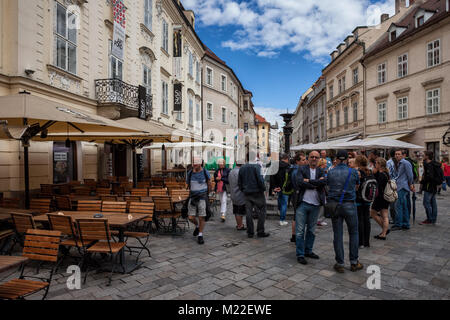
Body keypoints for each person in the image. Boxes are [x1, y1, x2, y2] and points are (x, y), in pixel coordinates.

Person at [327, 150, 363, 273]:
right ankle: (354, 262)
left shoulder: (330, 172)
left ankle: (340, 263)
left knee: (338, 234)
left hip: (335, 205)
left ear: (336, 159)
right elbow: (357, 186)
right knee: (354, 233)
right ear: (347, 159)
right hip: (350, 205)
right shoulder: (353, 172)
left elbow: (328, 187)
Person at [294, 151, 326, 265]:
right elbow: (299, 182)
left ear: (318, 159)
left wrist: (309, 181)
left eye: (316, 157)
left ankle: (308, 250)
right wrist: (316, 184)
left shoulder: (321, 170)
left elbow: (324, 182)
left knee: (312, 230)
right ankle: (300, 254)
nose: (314, 159)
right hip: (303, 203)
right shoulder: (302, 169)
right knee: (300, 231)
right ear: (308, 158)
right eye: (311, 157)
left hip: (316, 204)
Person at [238, 162, 270, 238]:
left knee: (248, 212)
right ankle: (260, 231)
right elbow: (260, 179)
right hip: (257, 192)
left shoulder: (242, 168)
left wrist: (243, 189)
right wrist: (263, 189)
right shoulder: (257, 166)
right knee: (262, 210)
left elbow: (239, 181)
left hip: (247, 192)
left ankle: (250, 232)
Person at [187, 157, 211, 245]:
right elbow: (188, 184)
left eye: (196, 164)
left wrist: (207, 194)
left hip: (202, 196)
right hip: (193, 196)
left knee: (202, 216)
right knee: (190, 217)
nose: (194, 165)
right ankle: (197, 226)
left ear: (200, 164)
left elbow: (209, 183)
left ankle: (200, 235)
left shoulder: (205, 172)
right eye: (193, 163)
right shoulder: (190, 173)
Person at [392, 150, 415, 231]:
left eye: (399, 154)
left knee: (398, 206)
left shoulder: (405, 163)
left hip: (403, 186)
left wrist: (411, 184)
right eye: (396, 154)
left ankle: (399, 224)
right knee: (404, 206)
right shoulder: (399, 163)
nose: (397, 155)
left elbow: (410, 175)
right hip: (400, 185)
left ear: (402, 155)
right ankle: (405, 223)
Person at [420, 151, 444, 225]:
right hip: (434, 186)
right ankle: (433, 219)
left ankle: (429, 219)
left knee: (426, 203)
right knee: (433, 203)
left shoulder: (429, 165)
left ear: (427, 156)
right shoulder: (434, 163)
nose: (422, 156)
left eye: (424, 155)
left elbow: (429, 177)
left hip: (429, 186)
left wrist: (422, 181)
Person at [370, 158, 391, 240]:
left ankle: (384, 232)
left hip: (380, 197)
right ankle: (384, 232)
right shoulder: (386, 173)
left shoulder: (382, 174)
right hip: (386, 197)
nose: (375, 165)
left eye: (376, 163)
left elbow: (378, 185)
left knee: (373, 213)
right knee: (384, 215)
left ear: (380, 165)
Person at [355, 155, 372, 248]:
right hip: (367, 199)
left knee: (360, 219)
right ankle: (367, 242)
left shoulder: (359, 172)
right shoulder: (370, 171)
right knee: (367, 219)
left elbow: (356, 186)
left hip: (359, 198)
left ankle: (360, 242)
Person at [290, 153, 308, 242]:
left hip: (295, 194)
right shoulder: (297, 171)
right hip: (297, 194)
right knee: (298, 216)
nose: (305, 161)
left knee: (295, 215)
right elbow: (299, 183)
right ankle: (296, 236)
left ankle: (294, 235)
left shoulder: (295, 169)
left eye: (305, 159)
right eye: (303, 160)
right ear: (297, 161)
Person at [272, 154, 292, 226]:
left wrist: (274, 187)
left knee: (280, 199)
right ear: (286, 159)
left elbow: (272, 177)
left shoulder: (276, 166)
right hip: (285, 187)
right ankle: (282, 219)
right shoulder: (288, 167)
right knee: (284, 204)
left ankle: (279, 211)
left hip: (277, 186)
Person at [228, 161, 247, 231]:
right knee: (240, 211)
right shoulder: (240, 172)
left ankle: (239, 224)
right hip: (240, 194)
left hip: (233, 193)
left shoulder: (231, 171)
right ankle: (240, 225)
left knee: (236, 210)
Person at [214, 159, 230, 223]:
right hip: (219, 187)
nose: (220, 165)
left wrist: (221, 179)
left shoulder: (228, 170)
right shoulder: (217, 171)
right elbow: (215, 180)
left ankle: (223, 214)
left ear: (224, 164)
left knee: (224, 200)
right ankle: (223, 213)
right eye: (219, 164)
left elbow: (228, 180)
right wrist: (216, 179)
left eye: (222, 164)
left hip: (225, 187)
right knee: (221, 200)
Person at [386, 149, 398, 224]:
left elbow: (388, 173)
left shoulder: (389, 162)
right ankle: (398, 217)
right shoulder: (399, 161)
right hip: (398, 183)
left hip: (391, 184)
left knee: (392, 202)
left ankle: (394, 219)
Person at [316, 158, 328, 227]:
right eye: (325, 163)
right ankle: (319, 220)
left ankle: (318, 220)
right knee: (322, 205)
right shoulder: (321, 171)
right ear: (322, 164)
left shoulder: (320, 170)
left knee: (321, 205)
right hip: (321, 190)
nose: (326, 165)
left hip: (320, 190)